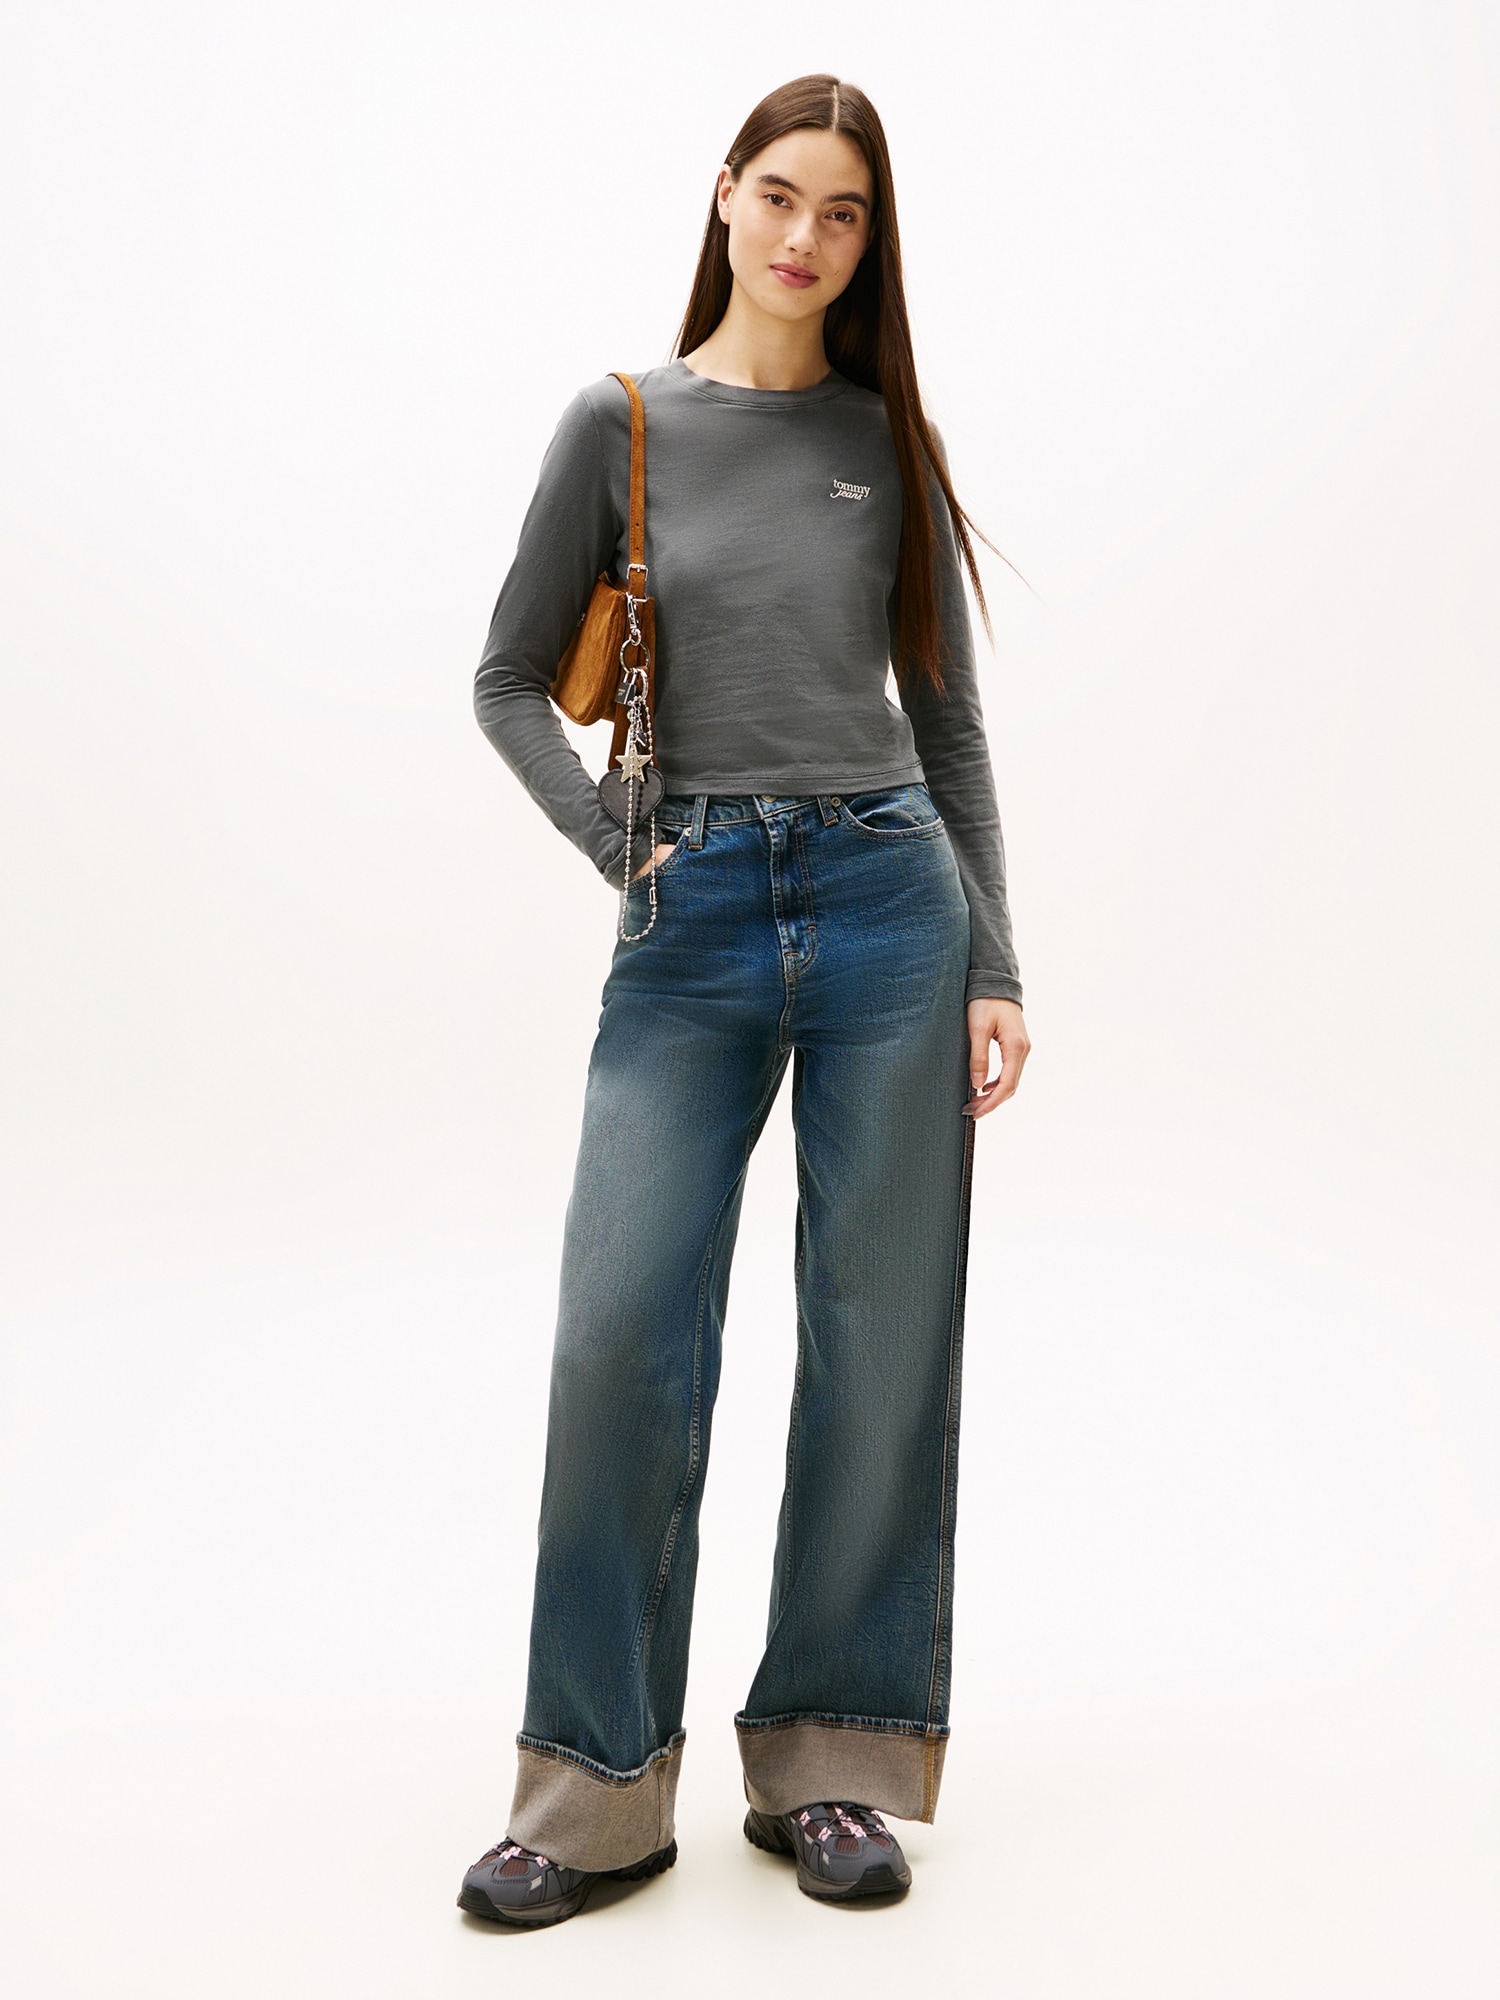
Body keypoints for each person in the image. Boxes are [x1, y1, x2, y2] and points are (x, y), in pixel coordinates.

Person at [457, 72, 1030, 1928]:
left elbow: (945, 722)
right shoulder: (620, 423)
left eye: (843, 212)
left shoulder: (886, 442)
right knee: (620, 1336)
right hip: (689, 916)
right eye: (780, 195)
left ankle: (835, 1762)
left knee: (881, 1339)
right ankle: (594, 1795)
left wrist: (996, 961)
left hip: (889, 902)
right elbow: (506, 679)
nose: (805, 236)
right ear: (724, 198)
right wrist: (619, 850)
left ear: (871, 241)